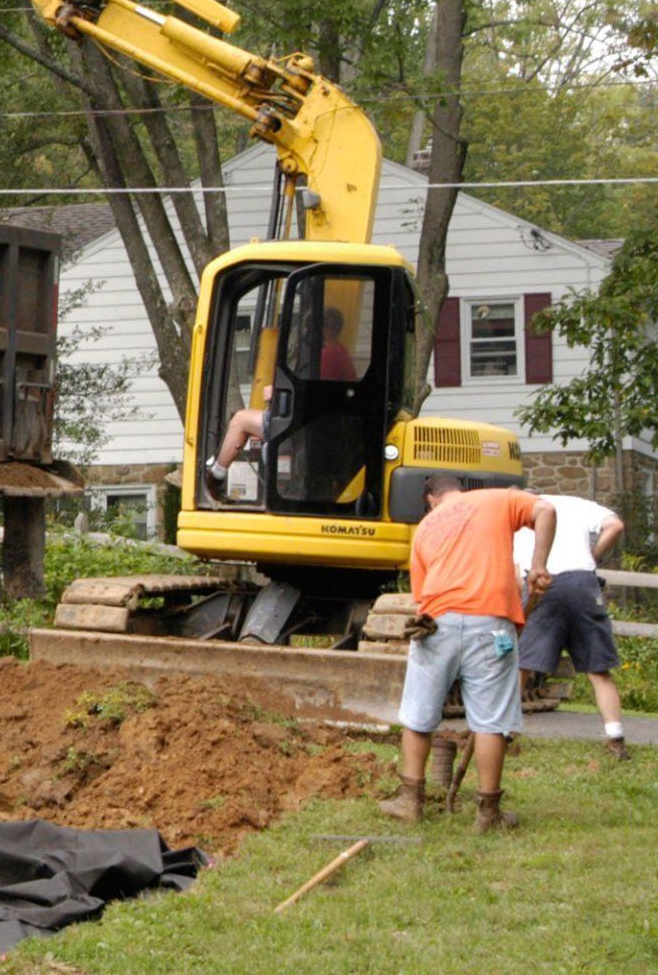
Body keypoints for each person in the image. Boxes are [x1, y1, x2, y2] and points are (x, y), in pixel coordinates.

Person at [379, 474, 554, 831]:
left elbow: (421, 598)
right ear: (460, 489)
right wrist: (538, 565)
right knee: (491, 721)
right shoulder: (497, 498)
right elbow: (546, 510)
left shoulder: (425, 528)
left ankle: (410, 801)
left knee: (418, 714)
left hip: (437, 623)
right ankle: (488, 813)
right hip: (490, 624)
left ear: (431, 498)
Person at [513, 494, 630, 759]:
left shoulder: (521, 515)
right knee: (598, 670)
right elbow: (616, 526)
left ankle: (505, 732)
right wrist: (592, 556)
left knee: (522, 665)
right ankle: (615, 738)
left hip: (542, 584)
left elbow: (517, 575)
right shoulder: (577, 504)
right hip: (583, 583)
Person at [203, 309, 356, 499]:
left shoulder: (326, 355)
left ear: (325, 328)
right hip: (322, 424)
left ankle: (215, 478)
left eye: (310, 328)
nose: (307, 333)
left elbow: (311, 395)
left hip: (306, 426)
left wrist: (276, 395)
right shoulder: (341, 353)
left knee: (241, 419)